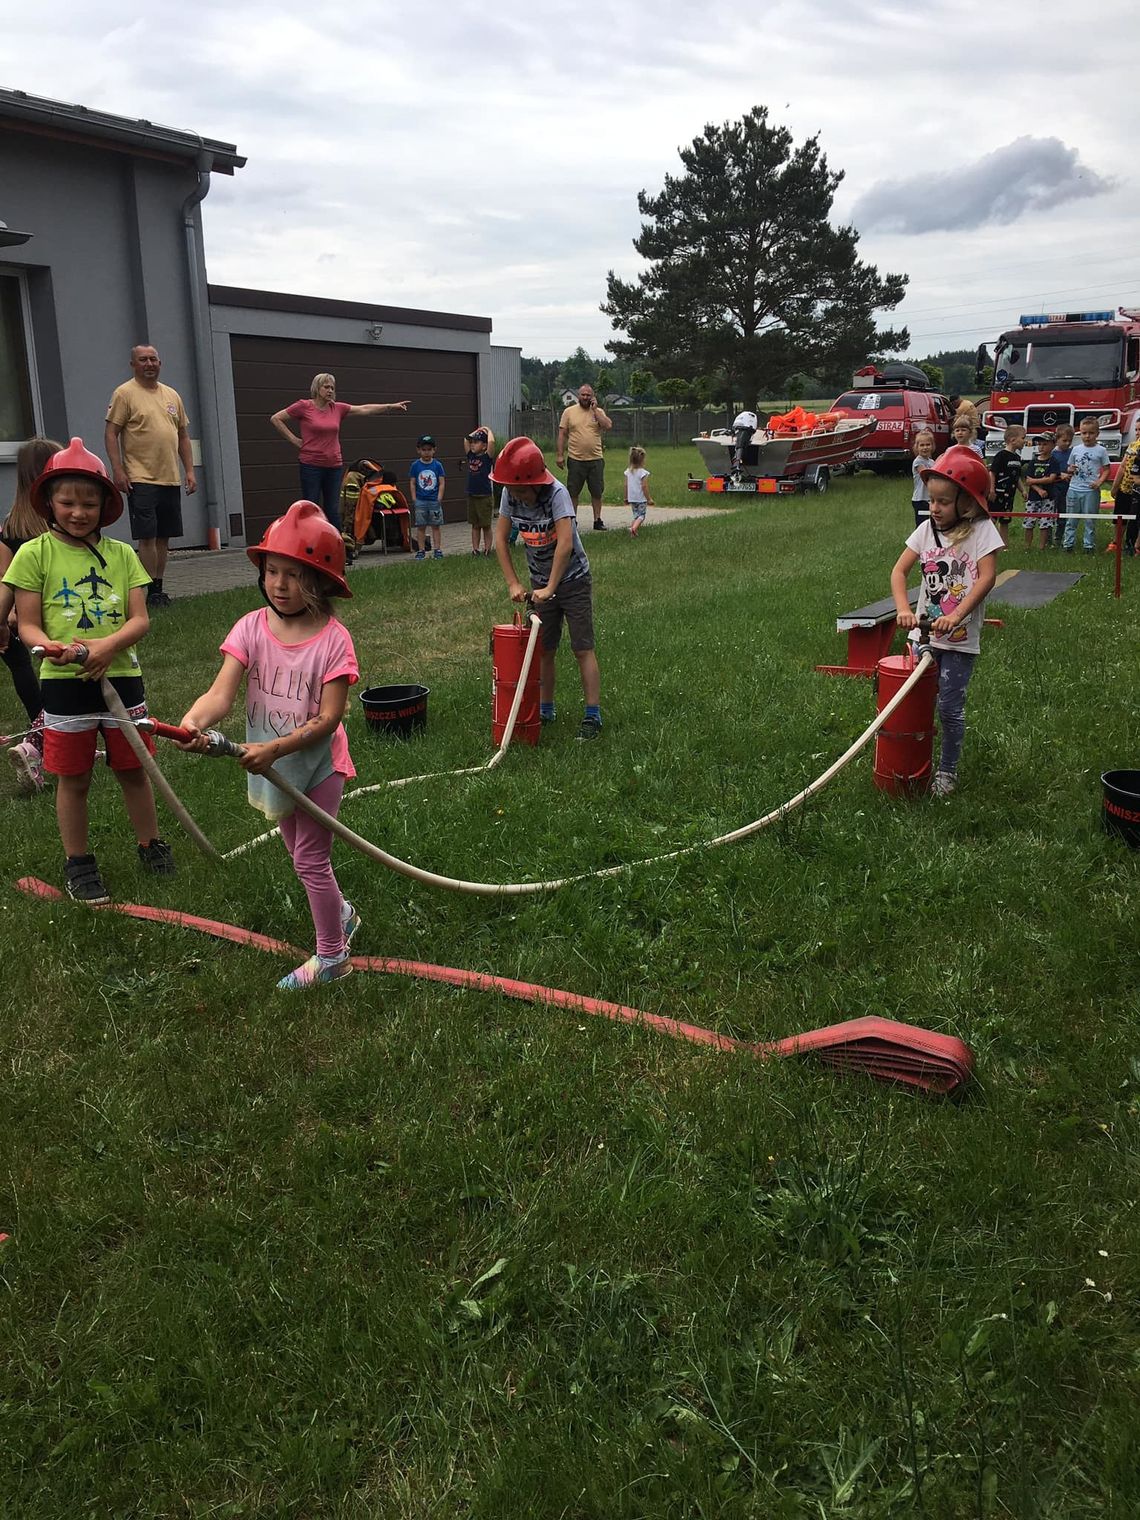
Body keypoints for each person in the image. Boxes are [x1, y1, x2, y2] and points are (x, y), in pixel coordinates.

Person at [177, 501, 361, 991]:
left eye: (294, 575)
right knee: (297, 852)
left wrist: (276, 750)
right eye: (272, 571)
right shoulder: (251, 627)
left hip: (318, 766)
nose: (279, 584)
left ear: (321, 580)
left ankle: (332, 957)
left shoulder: (334, 641)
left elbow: (329, 718)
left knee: (309, 859)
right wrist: (195, 720)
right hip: (272, 765)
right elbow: (222, 693)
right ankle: (341, 914)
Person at [3, 438, 175, 901]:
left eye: (89, 503)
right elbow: (30, 626)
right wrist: (51, 648)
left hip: (121, 678)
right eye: (67, 502)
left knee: (134, 769)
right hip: (63, 685)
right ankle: (78, 862)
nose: (78, 512)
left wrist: (105, 647)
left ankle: (151, 844)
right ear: (49, 504)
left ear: (105, 506)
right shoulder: (33, 555)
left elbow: (140, 619)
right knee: (73, 776)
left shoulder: (122, 556)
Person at [890, 445, 1003, 799]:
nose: (933, 508)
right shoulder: (925, 531)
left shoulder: (982, 532)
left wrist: (956, 615)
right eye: (931, 500)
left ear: (966, 502)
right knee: (912, 701)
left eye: (942, 501)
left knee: (949, 707)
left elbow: (986, 578)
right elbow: (899, 570)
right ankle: (910, 760)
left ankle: (947, 770)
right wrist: (903, 609)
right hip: (921, 635)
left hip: (959, 641)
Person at [492, 437, 602, 741]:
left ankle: (593, 714)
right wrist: (514, 582)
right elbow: (501, 539)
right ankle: (546, 707)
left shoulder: (557, 494)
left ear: (535, 482)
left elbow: (565, 543)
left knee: (582, 647)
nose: (518, 497)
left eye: (522, 491)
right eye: (513, 491)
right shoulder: (509, 493)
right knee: (543, 650)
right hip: (541, 582)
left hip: (573, 580)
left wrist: (552, 586)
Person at [104, 343, 196, 608]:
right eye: (143, 360)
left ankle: (159, 587)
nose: (149, 364)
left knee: (164, 536)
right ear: (133, 364)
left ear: (160, 363)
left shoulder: (171, 395)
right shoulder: (125, 394)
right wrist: (118, 469)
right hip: (140, 477)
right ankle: (147, 592)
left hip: (169, 477)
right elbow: (111, 433)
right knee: (147, 536)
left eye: (153, 359)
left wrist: (189, 470)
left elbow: (183, 436)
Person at [270, 375, 410, 533]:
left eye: (332, 388)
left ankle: (337, 547)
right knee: (311, 506)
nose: (330, 390)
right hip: (311, 466)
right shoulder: (304, 406)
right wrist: (295, 440)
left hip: (333, 466)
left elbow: (364, 409)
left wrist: (391, 406)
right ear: (317, 388)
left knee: (332, 508)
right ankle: (310, 543)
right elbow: (276, 419)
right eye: (326, 387)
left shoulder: (337, 408)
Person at [1, 435, 61, 791]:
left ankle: (50, 740)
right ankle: (37, 745)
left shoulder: (11, 526)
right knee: (62, 689)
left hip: (13, 622)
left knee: (26, 675)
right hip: (47, 622)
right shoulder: (54, 528)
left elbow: (4, 579)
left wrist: (6, 621)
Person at [556, 384, 613, 531]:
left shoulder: (598, 411)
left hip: (595, 459)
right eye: (583, 395)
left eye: (588, 395)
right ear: (578, 395)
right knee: (573, 491)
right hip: (576, 459)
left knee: (597, 491)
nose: (585, 397)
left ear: (592, 397)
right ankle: (572, 520)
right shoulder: (569, 412)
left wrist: (595, 410)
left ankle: (597, 520)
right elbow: (562, 434)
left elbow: (607, 426)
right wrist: (560, 455)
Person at [1062, 417, 1111, 553]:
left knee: (1090, 519)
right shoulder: (1076, 449)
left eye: (1091, 433)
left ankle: (1088, 545)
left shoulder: (1101, 450)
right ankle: (1068, 544)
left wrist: (1099, 481)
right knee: (1071, 518)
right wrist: (1070, 470)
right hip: (1074, 489)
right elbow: (1069, 467)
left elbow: (1107, 469)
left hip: (1091, 490)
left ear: (1097, 434)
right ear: (1080, 433)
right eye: (1084, 433)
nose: (1087, 436)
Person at [987, 423, 1026, 546]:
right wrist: (992, 490)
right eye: (1023, 438)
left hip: (1010, 495)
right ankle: (988, 543)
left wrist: (1023, 490)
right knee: (992, 519)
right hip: (998, 493)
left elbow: (1017, 477)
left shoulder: (1017, 457)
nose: (1024, 441)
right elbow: (992, 473)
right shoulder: (1001, 455)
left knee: (1005, 520)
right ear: (1012, 440)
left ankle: (1004, 544)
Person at [1019, 432, 1059, 550]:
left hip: (1048, 497)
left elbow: (1051, 478)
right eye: (1039, 444)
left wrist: (1035, 481)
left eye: (1045, 444)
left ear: (1052, 445)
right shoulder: (1032, 461)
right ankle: (1027, 546)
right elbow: (1028, 481)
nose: (1041, 447)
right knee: (1029, 522)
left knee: (1045, 523)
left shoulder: (1053, 461)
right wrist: (1038, 488)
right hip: (1033, 497)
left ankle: (1042, 547)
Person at [409, 435, 446, 559]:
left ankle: (437, 549)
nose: (426, 452)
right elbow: (413, 483)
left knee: (436, 526)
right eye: (424, 450)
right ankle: (421, 550)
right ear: (418, 450)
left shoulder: (437, 465)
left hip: (434, 501)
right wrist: (414, 498)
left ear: (434, 450)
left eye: (429, 450)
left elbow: (441, 482)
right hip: (421, 501)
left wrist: (439, 497)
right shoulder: (415, 466)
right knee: (421, 527)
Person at [462, 426, 496, 556]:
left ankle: (487, 549)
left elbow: (492, 442)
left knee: (486, 525)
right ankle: (475, 549)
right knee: (475, 525)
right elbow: (465, 439)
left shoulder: (487, 457)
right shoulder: (470, 456)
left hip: (484, 496)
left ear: (484, 446)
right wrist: (476, 432)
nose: (472, 444)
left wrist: (488, 430)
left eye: (476, 442)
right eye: (472, 442)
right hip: (472, 495)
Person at [1048, 425, 1075, 550]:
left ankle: (1059, 538)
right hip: (1054, 487)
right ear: (1057, 440)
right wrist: (1060, 474)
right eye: (1064, 440)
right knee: (1051, 513)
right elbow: (1048, 469)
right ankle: (1048, 538)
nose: (1067, 443)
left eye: (1070, 440)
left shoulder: (1072, 452)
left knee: (1064, 512)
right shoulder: (1052, 454)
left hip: (1068, 487)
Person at [1113, 434, 1140, 555]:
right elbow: (1123, 466)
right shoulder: (1132, 446)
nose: (1138, 432)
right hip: (1126, 487)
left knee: (1136, 520)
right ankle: (1116, 542)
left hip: (1137, 492)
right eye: (1136, 429)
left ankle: (1135, 545)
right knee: (1120, 516)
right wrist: (1115, 486)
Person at [624, 446, 653, 536]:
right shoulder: (643, 473)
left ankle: (633, 532)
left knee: (636, 516)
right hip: (641, 498)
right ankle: (633, 528)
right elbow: (644, 486)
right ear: (642, 460)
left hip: (632, 498)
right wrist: (649, 499)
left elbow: (625, 485)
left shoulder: (628, 472)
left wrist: (626, 497)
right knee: (641, 516)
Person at [910, 428, 935, 529]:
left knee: (932, 524)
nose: (925, 448)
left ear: (932, 446)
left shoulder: (932, 462)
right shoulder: (918, 462)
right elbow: (926, 476)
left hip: (930, 498)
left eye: (928, 445)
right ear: (917, 447)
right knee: (921, 526)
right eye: (922, 445)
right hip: (920, 499)